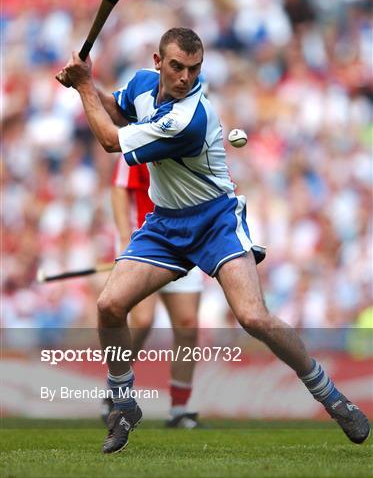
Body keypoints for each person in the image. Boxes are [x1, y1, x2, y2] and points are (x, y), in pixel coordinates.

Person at [57, 27, 370, 454]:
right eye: (177, 67)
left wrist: (83, 86)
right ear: (157, 62)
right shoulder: (143, 86)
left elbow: (111, 140)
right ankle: (123, 402)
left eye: (194, 68)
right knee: (110, 305)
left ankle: (330, 395)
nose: (186, 77)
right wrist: (92, 84)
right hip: (165, 224)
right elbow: (118, 109)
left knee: (253, 318)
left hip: (215, 221)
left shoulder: (191, 117)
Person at [104, 153, 204, 428]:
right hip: (144, 240)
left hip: (185, 239)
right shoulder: (140, 137)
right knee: (143, 320)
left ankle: (180, 409)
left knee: (187, 325)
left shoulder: (196, 134)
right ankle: (116, 384)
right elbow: (119, 188)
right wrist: (125, 238)